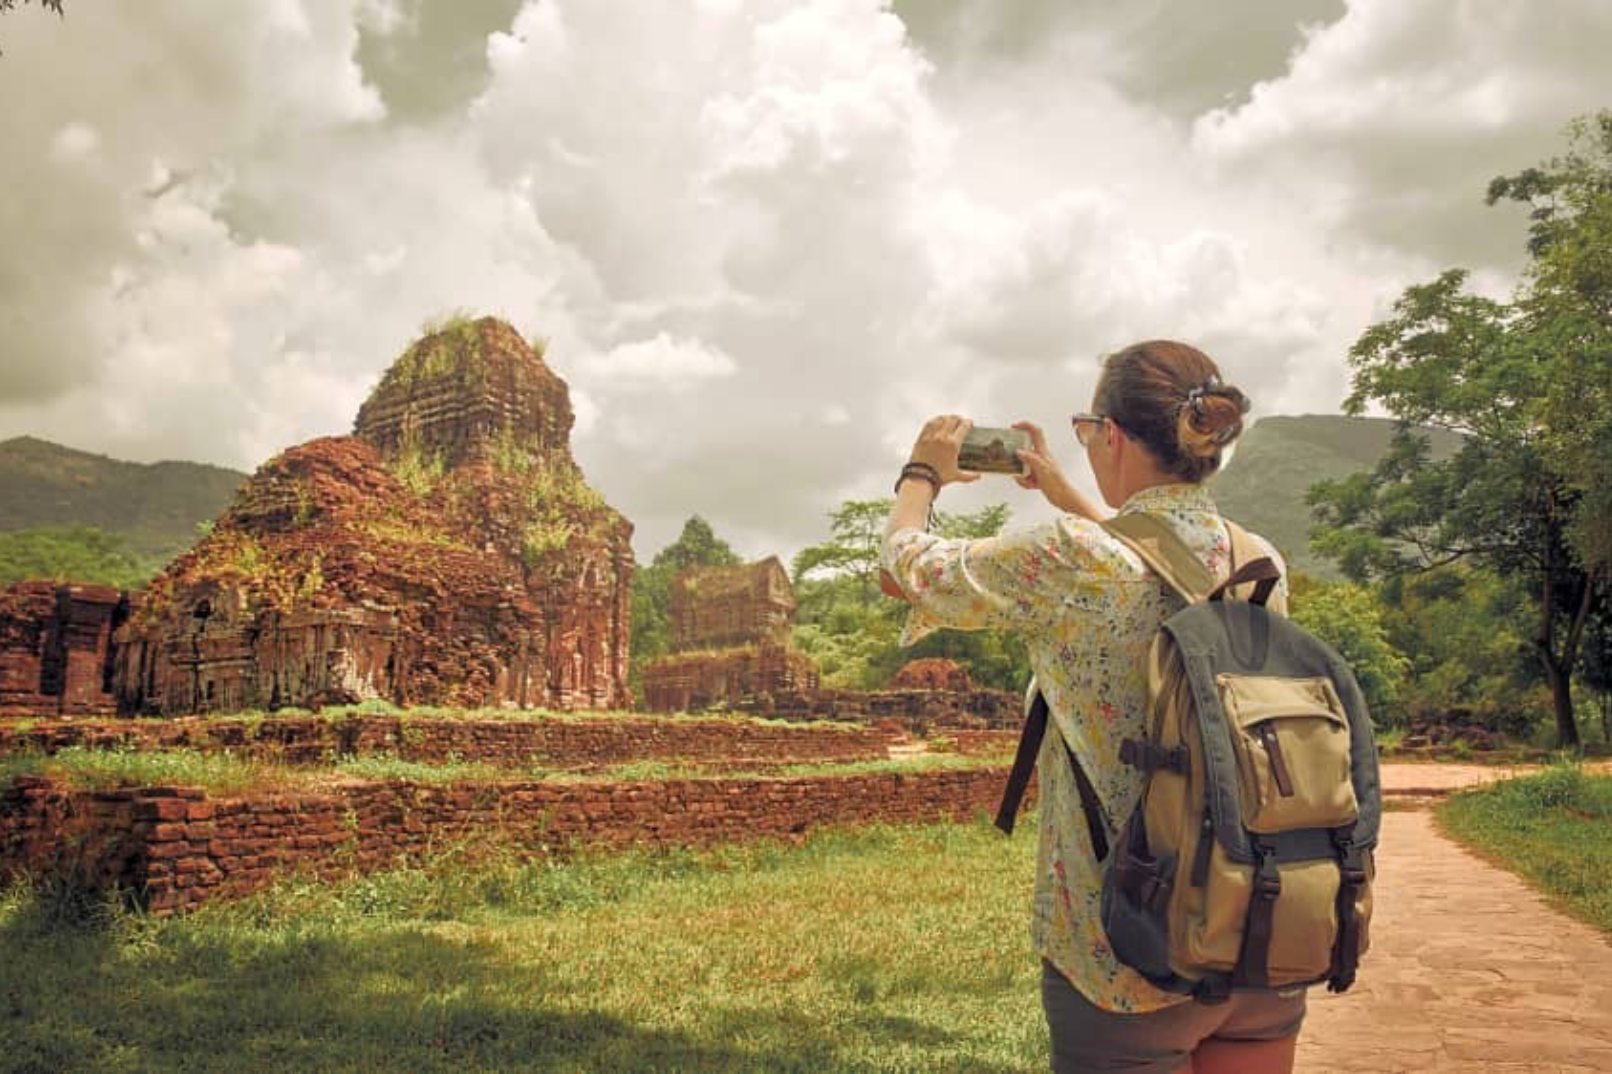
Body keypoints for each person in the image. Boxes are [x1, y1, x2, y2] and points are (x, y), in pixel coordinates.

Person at [880, 341, 1301, 1074]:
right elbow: (1147, 565)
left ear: (1110, 435)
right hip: (1258, 933)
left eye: (1086, 432)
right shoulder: (1256, 556)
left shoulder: (1072, 558)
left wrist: (922, 473)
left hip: (1129, 952)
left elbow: (909, 568)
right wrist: (1059, 487)